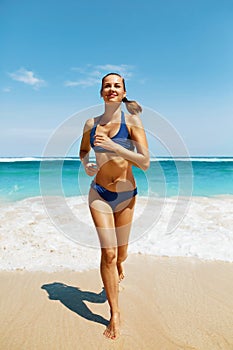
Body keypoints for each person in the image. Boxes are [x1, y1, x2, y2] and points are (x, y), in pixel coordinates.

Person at [79, 72, 149, 340]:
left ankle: (120, 264)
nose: (111, 89)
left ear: (123, 92)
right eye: (107, 86)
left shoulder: (132, 122)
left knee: (121, 255)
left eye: (116, 86)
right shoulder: (91, 123)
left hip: (126, 195)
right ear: (101, 92)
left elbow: (144, 162)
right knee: (107, 254)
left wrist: (113, 146)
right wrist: (86, 164)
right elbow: (84, 151)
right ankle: (115, 314)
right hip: (99, 193)